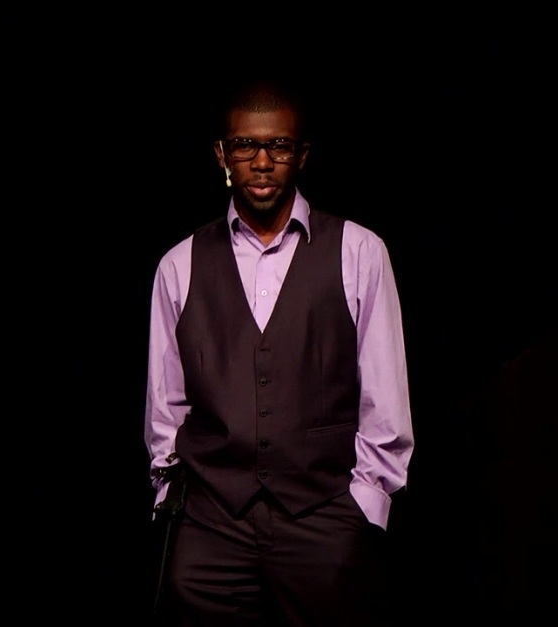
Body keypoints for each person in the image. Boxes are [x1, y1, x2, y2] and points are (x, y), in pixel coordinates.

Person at [142, 78, 414, 626]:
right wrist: (170, 493)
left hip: (324, 517)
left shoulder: (360, 251)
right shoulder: (179, 263)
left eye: (279, 147)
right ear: (222, 155)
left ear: (302, 155)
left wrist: (364, 506)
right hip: (212, 523)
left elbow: (384, 397)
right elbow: (165, 404)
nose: (262, 162)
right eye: (245, 146)